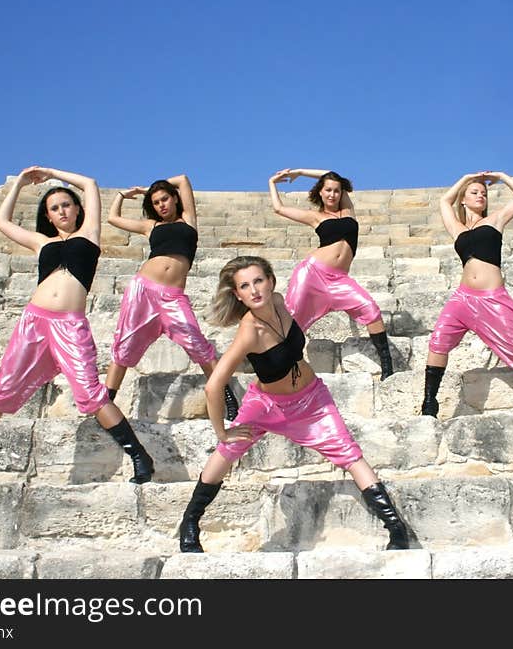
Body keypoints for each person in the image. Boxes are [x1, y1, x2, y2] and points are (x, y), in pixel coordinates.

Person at [176, 256, 409, 552]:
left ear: (271, 280)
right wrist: (222, 432)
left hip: (312, 400)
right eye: (245, 286)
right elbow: (213, 385)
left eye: (258, 281)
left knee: (350, 453)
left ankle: (396, 530)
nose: (254, 290)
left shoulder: (278, 301)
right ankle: (190, 522)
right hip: (267, 406)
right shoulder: (250, 330)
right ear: (238, 294)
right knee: (226, 452)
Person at [0, 166, 154, 484]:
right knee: (1, 389)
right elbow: (1, 222)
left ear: (77, 208)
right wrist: (18, 183)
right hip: (34, 322)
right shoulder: (41, 242)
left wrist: (49, 173)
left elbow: (90, 182)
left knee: (91, 394)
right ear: (49, 216)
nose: (61, 210)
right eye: (54, 208)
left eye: (66, 204)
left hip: (70, 326)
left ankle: (140, 457)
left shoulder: (90, 233)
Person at [421, 171, 513, 417]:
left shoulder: (496, 219)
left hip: (493, 298)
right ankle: (428, 404)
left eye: (484, 193)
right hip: (463, 298)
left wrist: (500, 176)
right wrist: (466, 178)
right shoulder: (458, 229)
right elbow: (445, 201)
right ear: (463, 199)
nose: (480, 196)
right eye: (474, 192)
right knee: (438, 342)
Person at [104, 174, 238, 420]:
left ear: (174, 198)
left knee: (198, 345)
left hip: (173, 297)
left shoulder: (189, 220)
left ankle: (226, 396)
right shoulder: (151, 226)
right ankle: (104, 405)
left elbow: (184, 179)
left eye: (164, 198)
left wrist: (149, 186)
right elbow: (112, 218)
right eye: (155, 202)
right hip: (143, 290)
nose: (161, 205)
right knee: (124, 344)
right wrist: (123, 195)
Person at [268, 168, 395, 380]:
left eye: (336, 190)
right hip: (312, 274)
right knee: (291, 320)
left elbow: (331, 173)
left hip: (339, 280)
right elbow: (278, 208)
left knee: (370, 309)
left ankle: (388, 368)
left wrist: (300, 172)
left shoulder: (348, 210)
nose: (332, 194)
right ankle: (279, 364)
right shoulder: (315, 217)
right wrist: (272, 182)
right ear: (320, 192)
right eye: (327, 190)